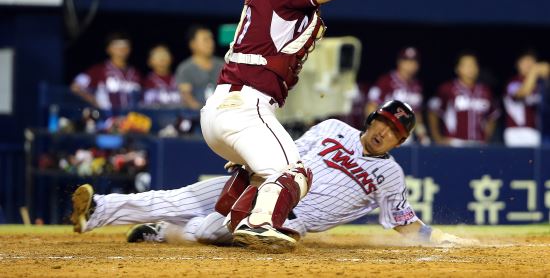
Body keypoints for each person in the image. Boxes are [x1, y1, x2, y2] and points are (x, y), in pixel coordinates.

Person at [199, 0, 389, 249]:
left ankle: (229, 222)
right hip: (246, 108)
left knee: (261, 175)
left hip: (226, 109)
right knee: (294, 174)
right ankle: (259, 224)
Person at [70, 100, 476, 248]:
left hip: (285, 217)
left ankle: (164, 233)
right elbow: (288, 153)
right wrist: (251, 162)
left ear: (400, 142)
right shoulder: (334, 127)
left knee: (210, 230)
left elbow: (404, 223)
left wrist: (440, 238)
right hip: (263, 182)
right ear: (372, 119)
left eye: (395, 132)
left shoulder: (390, 176)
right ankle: (99, 209)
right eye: (384, 122)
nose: (385, 132)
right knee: (174, 197)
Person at [428, 51, 500, 147]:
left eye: (473, 65)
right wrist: (437, 138)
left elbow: (493, 115)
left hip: (478, 143)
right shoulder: (447, 89)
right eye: (466, 65)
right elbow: (433, 112)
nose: (470, 68)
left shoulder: (485, 91)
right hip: (454, 142)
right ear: (457, 68)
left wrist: (486, 137)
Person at [366, 47, 429, 144]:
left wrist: (422, 134)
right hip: (384, 131)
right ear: (399, 62)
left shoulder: (417, 85)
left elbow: (416, 114)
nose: (410, 64)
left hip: (404, 135)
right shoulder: (386, 81)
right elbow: (371, 105)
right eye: (406, 60)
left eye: (413, 61)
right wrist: (371, 127)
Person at [71, 32, 142, 111]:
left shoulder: (136, 73)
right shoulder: (98, 70)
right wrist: (94, 101)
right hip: (106, 120)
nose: (122, 50)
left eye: (125, 47)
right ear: (108, 49)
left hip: (131, 120)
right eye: (116, 47)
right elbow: (75, 87)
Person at [503, 50, 550, 147]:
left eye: (531, 61)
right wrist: (534, 72)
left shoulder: (539, 84)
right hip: (516, 132)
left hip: (535, 132)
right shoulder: (513, 82)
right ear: (518, 64)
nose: (528, 65)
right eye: (525, 61)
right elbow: (523, 93)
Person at [174, 25, 224, 110]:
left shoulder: (223, 65)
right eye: (205, 40)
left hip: (221, 114)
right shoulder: (185, 69)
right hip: (196, 116)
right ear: (192, 44)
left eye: (211, 39)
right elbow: (186, 97)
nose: (210, 42)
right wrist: (203, 112)